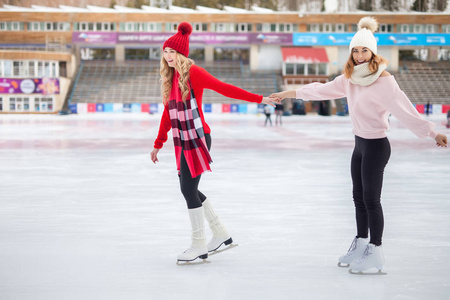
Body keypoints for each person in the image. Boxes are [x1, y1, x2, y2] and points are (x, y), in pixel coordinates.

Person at [270, 17, 448, 274]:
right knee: (358, 198)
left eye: (365, 50)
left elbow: (406, 111)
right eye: (356, 50)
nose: (360, 54)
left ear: (373, 52)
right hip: (359, 144)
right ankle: (362, 242)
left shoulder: (385, 80)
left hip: (377, 146)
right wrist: (288, 93)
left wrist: (432, 132)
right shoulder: (349, 78)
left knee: (371, 200)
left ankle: (376, 250)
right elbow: (322, 90)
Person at [150, 22, 277, 264]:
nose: (167, 56)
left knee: (187, 189)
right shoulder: (171, 78)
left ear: (182, 54)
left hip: (198, 138)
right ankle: (219, 233)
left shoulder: (194, 73)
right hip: (182, 140)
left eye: (172, 52)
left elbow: (224, 88)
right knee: (190, 188)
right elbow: (168, 114)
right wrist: (158, 142)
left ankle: (199, 243)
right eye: (165, 51)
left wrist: (260, 98)